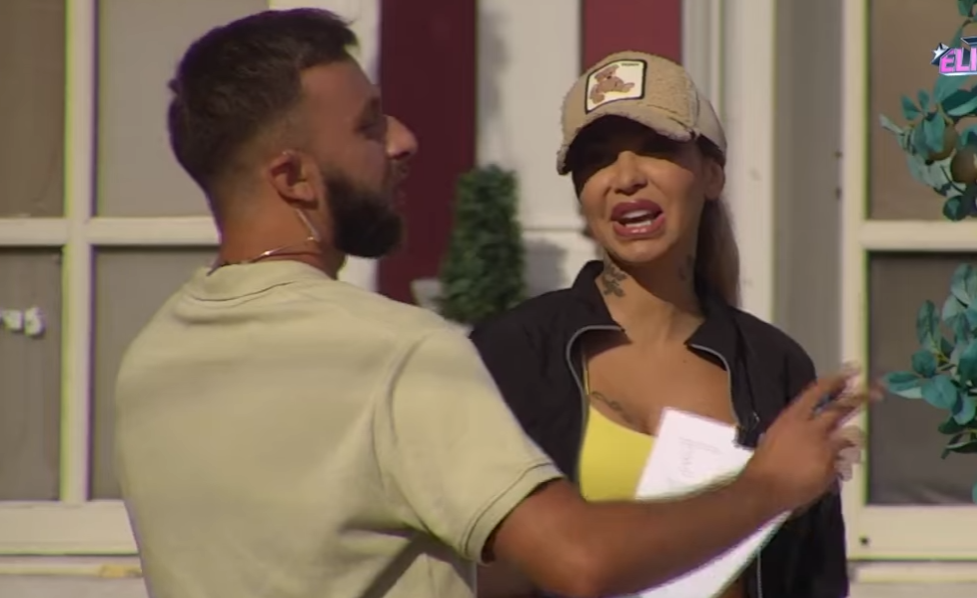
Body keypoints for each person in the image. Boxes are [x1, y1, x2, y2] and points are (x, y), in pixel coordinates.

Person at [113, 13, 870, 598]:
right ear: (292, 178)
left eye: (655, 148)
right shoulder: (424, 353)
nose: (404, 141)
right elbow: (573, 559)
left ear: (711, 173)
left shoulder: (148, 362)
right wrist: (766, 486)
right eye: (369, 125)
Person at [469, 51, 859, 598]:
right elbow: (467, 561)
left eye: (656, 148)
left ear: (712, 173)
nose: (626, 177)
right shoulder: (511, 353)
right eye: (598, 161)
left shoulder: (773, 364)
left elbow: (813, 579)